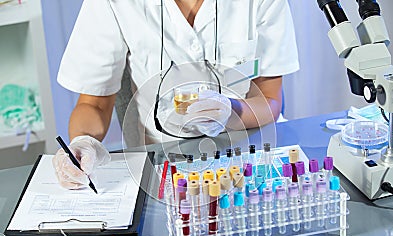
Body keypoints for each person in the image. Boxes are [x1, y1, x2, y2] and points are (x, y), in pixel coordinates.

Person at [53, 0, 299, 189]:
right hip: (161, 163)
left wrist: (231, 112)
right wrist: (82, 144)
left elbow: (270, 99)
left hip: (248, 155)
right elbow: (94, 104)